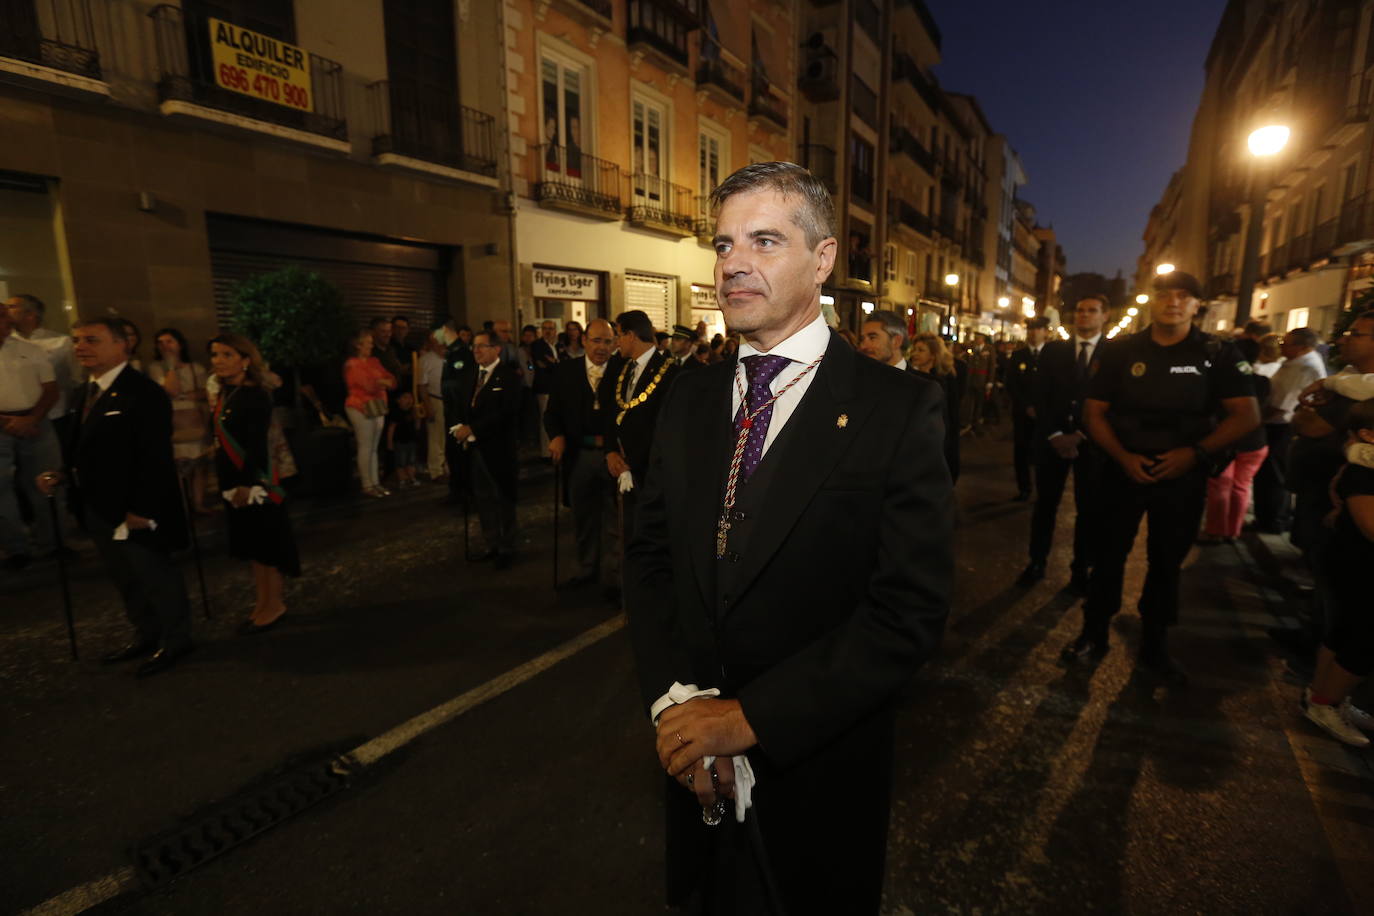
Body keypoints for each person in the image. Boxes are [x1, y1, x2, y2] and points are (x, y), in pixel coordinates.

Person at [626, 162, 952, 914]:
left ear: (823, 258)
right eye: (724, 243)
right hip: (690, 772)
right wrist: (676, 706)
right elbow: (649, 557)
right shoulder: (689, 394)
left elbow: (908, 612)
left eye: (764, 240)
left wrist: (748, 721)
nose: (733, 261)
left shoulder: (898, 408)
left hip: (816, 781)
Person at [1063, 271, 1259, 680]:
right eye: (1164, 294)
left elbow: (1246, 415)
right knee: (1108, 555)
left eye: (1184, 296)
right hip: (1121, 472)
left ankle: (1155, 645)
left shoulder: (1217, 353)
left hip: (1182, 477)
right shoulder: (1121, 351)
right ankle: (1093, 632)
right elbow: (1093, 412)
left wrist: (1195, 453)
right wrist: (1121, 456)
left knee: (1167, 562)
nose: (1173, 302)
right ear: (1151, 301)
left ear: (1196, 305)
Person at [37, 317, 192, 676]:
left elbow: (152, 456)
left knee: (153, 573)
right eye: (77, 340)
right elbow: (82, 447)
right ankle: (147, 633)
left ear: (122, 345)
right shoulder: (84, 391)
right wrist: (61, 474)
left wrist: (141, 508)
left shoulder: (143, 392)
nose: (80, 347)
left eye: (91, 339)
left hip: (134, 508)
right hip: (97, 506)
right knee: (125, 576)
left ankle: (177, 638)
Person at [208, 333, 300, 634]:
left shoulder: (254, 395)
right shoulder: (227, 392)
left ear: (246, 360)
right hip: (233, 480)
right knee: (253, 548)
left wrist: (247, 484)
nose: (218, 361)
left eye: (227, 355)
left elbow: (257, 445)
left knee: (266, 546)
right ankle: (262, 603)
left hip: (253, 483)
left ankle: (274, 604)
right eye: (215, 355)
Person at [1018, 295, 1110, 592]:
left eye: (1092, 311)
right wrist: (1055, 434)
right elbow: (1039, 396)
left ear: (1104, 316)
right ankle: (1036, 561)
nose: (1084, 316)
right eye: (1080, 310)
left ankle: (1081, 567)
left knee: (1090, 508)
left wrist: (1082, 434)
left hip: (1092, 443)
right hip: (1051, 441)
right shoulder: (1053, 351)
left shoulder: (1114, 353)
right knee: (1045, 505)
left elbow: (1116, 400)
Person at [1300, 397, 1374, 747]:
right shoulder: (1362, 473)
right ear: (1367, 434)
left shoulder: (1361, 466)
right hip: (1358, 564)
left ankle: (1324, 696)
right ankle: (1325, 703)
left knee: (1343, 632)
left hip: (1352, 562)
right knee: (1361, 639)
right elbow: (1371, 526)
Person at [544, 318, 623, 597]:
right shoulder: (566, 371)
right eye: (596, 340)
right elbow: (551, 413)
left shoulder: (623, 371)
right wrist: (555, 435)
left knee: (615, 520)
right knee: (583, 517)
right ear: (584, 341)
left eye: (607, 341)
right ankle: (586, 569)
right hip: (579, 456)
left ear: (615, 343)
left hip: (613, 457)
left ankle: (614, 579)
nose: (601, 347)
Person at [607, 309, 678, 561]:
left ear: (631, 335)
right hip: (622, 466)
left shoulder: (670, 372)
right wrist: (612, 451)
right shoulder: (623, 368)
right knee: (626, 533)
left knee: (651, 540)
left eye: (619, 335)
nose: (616, 342)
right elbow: (612, 414)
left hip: (650, 472)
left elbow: (666, 429)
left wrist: (632, 462)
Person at [451, 330, 521, 569]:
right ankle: (491, 542)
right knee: (482, 498)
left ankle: (507, 546)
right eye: (474, 347)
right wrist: (461, 426)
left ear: (496, 349)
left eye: (482, 346)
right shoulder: (471, 375)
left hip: (499, 449)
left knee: (503, 497)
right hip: (475, 449)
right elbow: (465, 406)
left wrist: (473, 428)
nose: (477, 351)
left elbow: (505, 414)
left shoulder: (509, 377)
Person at [0, 306, 61, 569]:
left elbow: (50, 389)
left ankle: (53, 543)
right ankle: (17, 549)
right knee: (1, 490)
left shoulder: (30, 349)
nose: (5, 321)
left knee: (48, 481)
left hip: (37, 422)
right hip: (2, 423)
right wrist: (9, 422)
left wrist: (31, 419)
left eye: (4, 316)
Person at [1254, 327, 1327, 533]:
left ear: (1302, 347)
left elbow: (1282, 404)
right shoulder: (1293, 363)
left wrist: (1255, 420)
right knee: (1269, 474)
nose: (1282, 347)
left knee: (1274, 475)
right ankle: (1269, 517)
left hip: (1283, 426)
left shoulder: (1304, 367)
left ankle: (1274, 520)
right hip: (1277, 423)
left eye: (1286, 343)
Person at [1199, 361, 1271, 544]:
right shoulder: (1263, 382)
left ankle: (1216, 532)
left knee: (1219, 486)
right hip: (1255, 441)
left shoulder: (1220, 383)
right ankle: (1233, 531)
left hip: (1226, 440)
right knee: (1241, 486)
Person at [148, 328, 212, 515]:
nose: (165, 346)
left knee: (199, 465)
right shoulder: (155, 368)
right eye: (160, 342)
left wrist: (190, 394)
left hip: (194, 421)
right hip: (172, 423)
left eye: (170, 341)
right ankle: (182, 505)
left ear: (180, 344)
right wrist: (170, 366)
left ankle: (198, 503)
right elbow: (171, 390)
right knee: (178, 466)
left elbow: (205, 392)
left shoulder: (196, 368)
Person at [344, 327, 397, 498]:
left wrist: (383, 381)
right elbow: (366, 385)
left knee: (374, 447)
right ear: (358, 345)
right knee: (366, 445)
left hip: (377, 406)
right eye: (368, 343)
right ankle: (367, 484)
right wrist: (381, 382)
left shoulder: (374, 361)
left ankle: (375, 483)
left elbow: (391, 379)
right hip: (360, 406)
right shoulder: (352, 364)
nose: (371, 346)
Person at [1005, 317, 1049, 501]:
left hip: (1046, 414)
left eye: (1038, 329)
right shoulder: (1018, 356)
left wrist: (1043, 408)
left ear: (1046, 331)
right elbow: (1012, 384)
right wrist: (1027, 406)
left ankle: (1044, 489)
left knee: (1044, 453)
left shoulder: (1053, 355)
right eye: (1031, 329)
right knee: (1021, 450)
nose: (1033, 332)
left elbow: (1056, 386)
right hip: (1022, 413)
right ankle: (1024, 488)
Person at [911, 331, 962, 481]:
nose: (915, 354)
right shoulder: (910, 375)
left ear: (933, 355)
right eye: (914, 349)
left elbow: (952, 415)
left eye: (921, 350)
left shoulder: (945, 380)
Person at [419, 332, 449, 482]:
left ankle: (448, 467)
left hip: (451, 400)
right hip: (435, 399)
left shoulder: (451, 357)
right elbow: (422, 386)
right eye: (436, 342)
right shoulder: (426, 360)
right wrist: (428, 405)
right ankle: (436, 470)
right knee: (436, 437)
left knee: (449, 435)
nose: (440, 345)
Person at [387, 390, 422, 489]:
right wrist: (389, 442)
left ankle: (411, 477)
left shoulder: (413, 411)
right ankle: (402, 479)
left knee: (411, 461)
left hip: (412, 441)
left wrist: (418, 418)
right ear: (398, 400)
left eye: (410, 398)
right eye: (405, 397)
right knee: (400, 461)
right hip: (400, 441)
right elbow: (391, 428)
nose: (409, 400)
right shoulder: (396, 412)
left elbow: (417, 427)